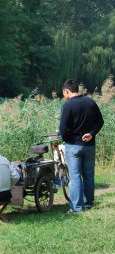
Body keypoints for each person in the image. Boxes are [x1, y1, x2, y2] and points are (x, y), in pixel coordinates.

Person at [59, 79, 104, 212]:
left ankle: (77, 207)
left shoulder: (67, 106)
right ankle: (88, 203)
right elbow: (100, 122)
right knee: (89, 175)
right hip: (90, 145)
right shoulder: (90, 102)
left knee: (75, 176)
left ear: (66, 91)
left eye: (63, 93)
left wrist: (68, 140)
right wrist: (91, 133)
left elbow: (63, 129)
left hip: (73, 146)